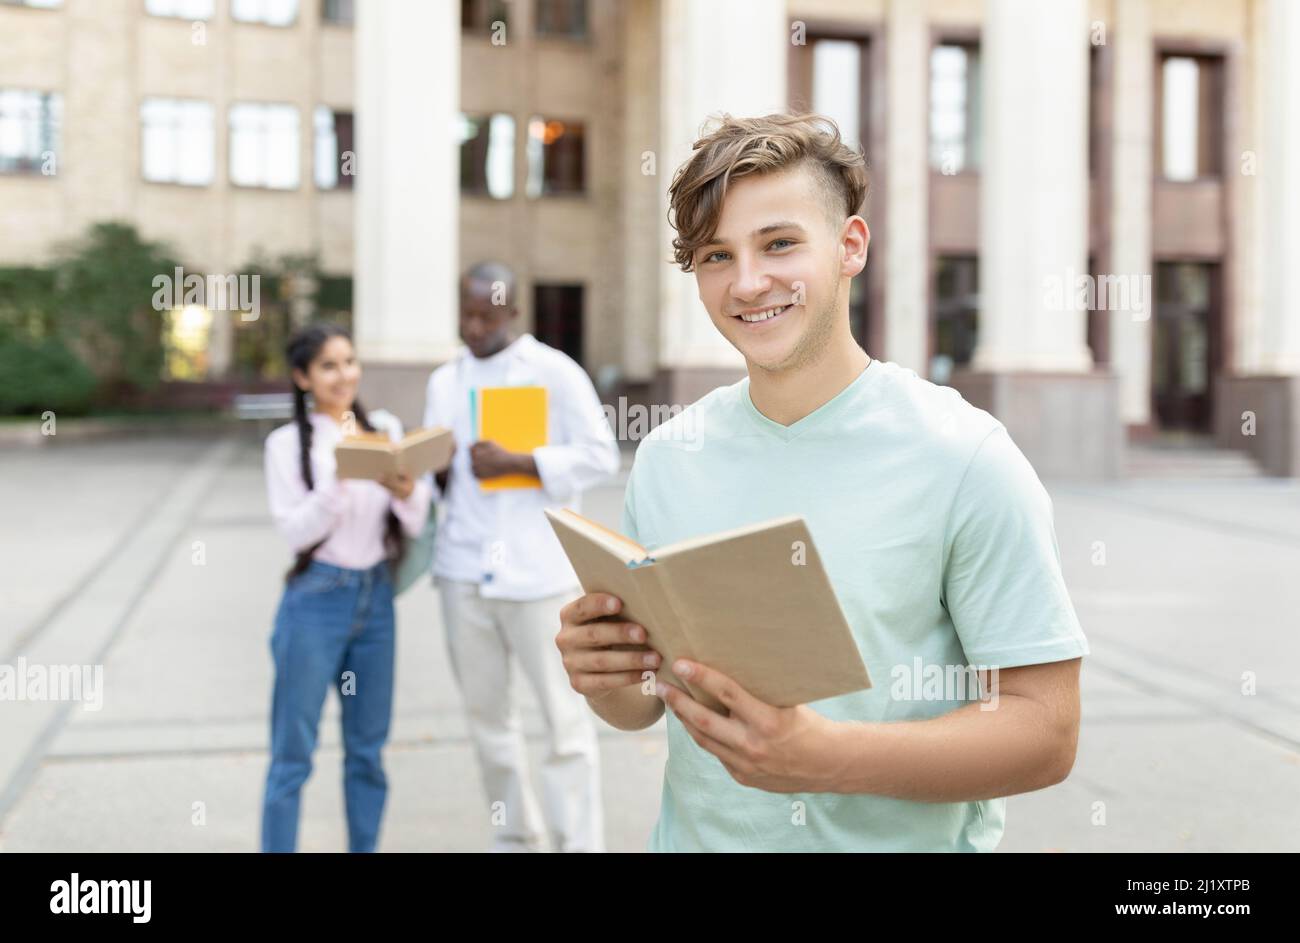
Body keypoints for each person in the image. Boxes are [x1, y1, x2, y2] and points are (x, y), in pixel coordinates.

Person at [556, 112, 1091, 852]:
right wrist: (605, 672)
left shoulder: (965, 456)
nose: (747, 283)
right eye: (716, 255)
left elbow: (1047, 729)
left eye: (779, 243)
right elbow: (642, 705)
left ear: (849, 247)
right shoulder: (670, 455)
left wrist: (829, 758)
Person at [422, 261, 620, 852]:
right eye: (465, 314)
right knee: (489, 724)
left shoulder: (553, 373)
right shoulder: (443, 381)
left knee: (564, 725)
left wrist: (521, 462)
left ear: (512, 312)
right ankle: (516, 838)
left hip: (538, 578)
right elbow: (441, 473)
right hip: (462, 573)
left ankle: (577, 844)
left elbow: (599, 455)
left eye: (486, 314)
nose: (474, 325)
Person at [261, 322, 432, 853]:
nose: (344, 375)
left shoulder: (383, 426)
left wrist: (403, 489)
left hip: (375, 600)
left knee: (367, 752)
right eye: (329, 366)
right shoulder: (286, 444)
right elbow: (294, 531)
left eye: (350, 362)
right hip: (316, 601)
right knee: (293, 754)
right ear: (303, 377)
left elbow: (415, 519)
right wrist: (341, 477)